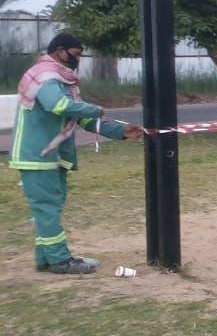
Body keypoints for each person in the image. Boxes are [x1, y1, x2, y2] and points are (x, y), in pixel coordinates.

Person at [8, 33, 143, 274]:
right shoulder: (45, 77)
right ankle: (60, 260)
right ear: (61, 50)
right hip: (36, 156)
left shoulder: (63, 81)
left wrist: (121, 132)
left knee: (49, 210)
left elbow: (83, 118)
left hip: (52, 156)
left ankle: (46, 258)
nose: (78, 59)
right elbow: (59, 106)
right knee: (48, 208)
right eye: (76, 54)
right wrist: (94, 108)